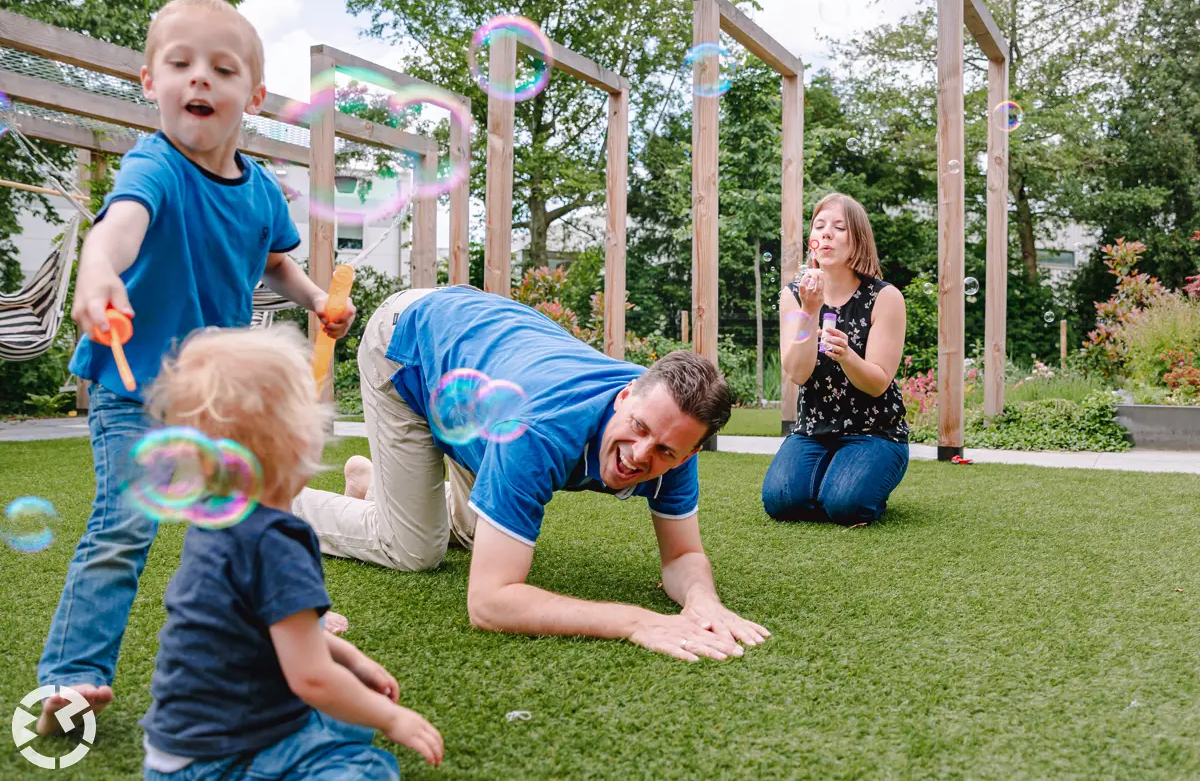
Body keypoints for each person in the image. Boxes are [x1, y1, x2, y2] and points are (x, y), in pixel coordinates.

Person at [36, 0, 356, 735]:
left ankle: (291, 620)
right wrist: (97, 277)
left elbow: (274, 259)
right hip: (133, 387)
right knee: (124, 529)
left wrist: (314, 299)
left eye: (221, 68)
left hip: (219, 395)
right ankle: (72, 676)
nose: (198, 80)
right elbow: (118, 229)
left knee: (256, 512)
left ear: (256, 96)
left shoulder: (262, 190)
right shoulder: (154, 166)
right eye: (180, 65)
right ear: (150, 82)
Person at [292, 286, 771, 662]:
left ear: (686, 454)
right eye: (638, 428)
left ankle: (374, 484)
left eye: (664, 451)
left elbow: (682, 555)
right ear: (626, 395)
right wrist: (635, 621)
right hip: (410, 341)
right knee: (416, 549)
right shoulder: (540, 431)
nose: (639, 457)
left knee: (472, 530)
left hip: (483, 362)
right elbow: (489, 603)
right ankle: (283, 505)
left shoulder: (672, 431)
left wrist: (701, 599)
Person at [138, 326, 442, 780]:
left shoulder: (216, 525)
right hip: (226, 757)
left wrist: (351, 658)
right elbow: (312, 679)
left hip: (177, 750)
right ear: (301, 443)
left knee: (353, 698)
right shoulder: (279, 542)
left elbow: (254, 630)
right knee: (367, 767)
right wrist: (394, 720)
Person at [762, 192, 910, 526]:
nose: (826, 233)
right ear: (812, 241)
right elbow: (798, 373)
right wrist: (810, 310)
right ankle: (836, 484)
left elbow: (877, 384)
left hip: (875, 432)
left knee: (847, 506)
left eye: (839, 227)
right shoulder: (793, 296)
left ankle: (852, 489)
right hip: (813, 431)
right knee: (781, 502)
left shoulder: (885, 298)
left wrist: (847, 357)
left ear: (858, 240)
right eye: (819, 225)